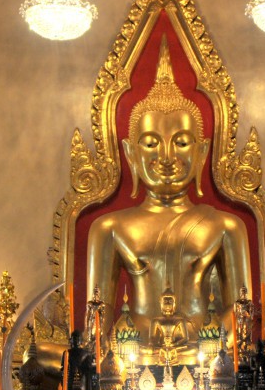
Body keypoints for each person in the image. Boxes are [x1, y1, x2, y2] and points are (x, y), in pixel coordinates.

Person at [86, 36, 251, 355]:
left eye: (181, 142)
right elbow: (98, 317)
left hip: (206, 356)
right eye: (150, 143)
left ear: (202, 152)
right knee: (44, 359)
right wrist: (116, 354)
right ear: (130, 154)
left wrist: (204, 349)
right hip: (132, 357)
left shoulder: (227, 227)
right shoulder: (108, 229)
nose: (166, 156)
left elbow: (240, 313)